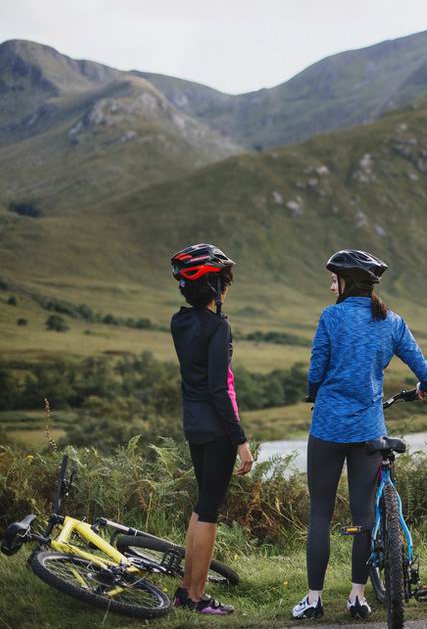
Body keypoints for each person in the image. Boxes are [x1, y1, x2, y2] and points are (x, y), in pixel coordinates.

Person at [292, 249, 427, 621]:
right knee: (364, 516)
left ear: (347, 282)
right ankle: (357, 597)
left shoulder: (331, 317)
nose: (330, 285)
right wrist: (423, 387)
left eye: (334, 279)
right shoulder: (392, 321)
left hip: (327, 427)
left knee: (320, 514)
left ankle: (313, 600)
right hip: (369, 431)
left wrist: (314, 390)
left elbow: (316, 369)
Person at [169, 243, 254, 616]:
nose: (227, 288)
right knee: (209, 512)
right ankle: (198, 597)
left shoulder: (179, 321)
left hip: (194, 426)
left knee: (201, 505)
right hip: (218, 430)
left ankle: (186, 590)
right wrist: (241, 441)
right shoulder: (218, 326)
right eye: (224, 281)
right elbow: (220, 390)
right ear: (215, 286)